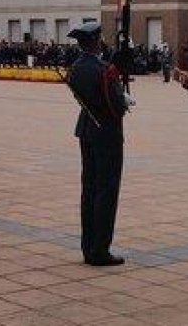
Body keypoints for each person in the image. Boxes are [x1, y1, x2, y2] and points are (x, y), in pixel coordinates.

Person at [65, 22, 129, 265]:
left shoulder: (77, 67)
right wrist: (124, 99)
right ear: (95, 41)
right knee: (106, 190)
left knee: (89, 188)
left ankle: (88, 246)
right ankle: (100, 248)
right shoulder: (104, 69)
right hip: (107, 132)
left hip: (87, 130)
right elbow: (116, 107)